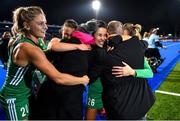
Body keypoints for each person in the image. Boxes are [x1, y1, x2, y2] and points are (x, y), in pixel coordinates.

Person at [0, 6, 89, 120]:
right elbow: (58, 78)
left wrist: (76, 45)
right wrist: (82, 80)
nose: (46, 27)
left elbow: (45, 52)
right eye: (40, 24)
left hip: (28, 93)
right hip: (14, 97)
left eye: (45, 23)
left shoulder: (24, 39)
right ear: (27, 25)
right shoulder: (28, 48)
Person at [88, 21, 155, 120]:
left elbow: (149, 72)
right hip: (112, 94)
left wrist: (133, 72)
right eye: (99, 35)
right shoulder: (136, 46)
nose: (103, 38)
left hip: (122, 104)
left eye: (104, 35)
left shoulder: (126, 49)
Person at [35, 19, 91, 120]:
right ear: (62, 31)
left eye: (70, 35)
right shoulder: (57, 41)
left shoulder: (80, 45)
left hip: (64, 90)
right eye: (65, 34)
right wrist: (78, 46)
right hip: (53, 82)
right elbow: (54, 46)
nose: (67, 37)